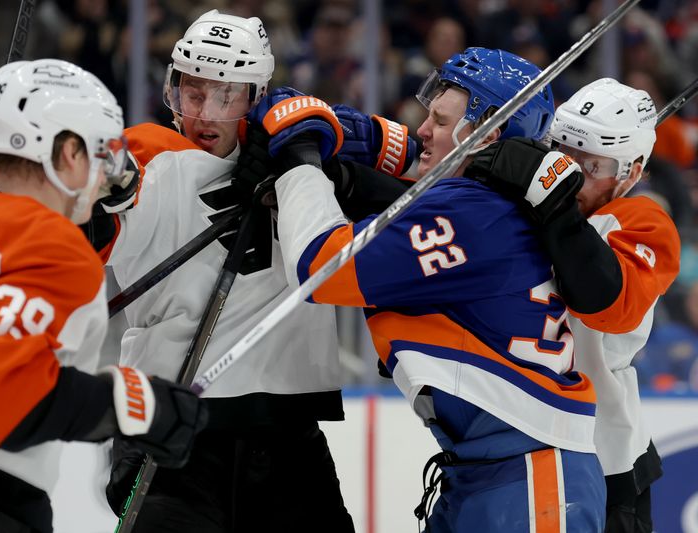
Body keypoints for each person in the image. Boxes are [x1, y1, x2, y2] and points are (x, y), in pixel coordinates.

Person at [247, 47, 606, 531]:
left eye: (438, 118)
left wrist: (300, 161)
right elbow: (403, 203)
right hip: (496, 471)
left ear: (487, 133)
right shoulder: (490, 206)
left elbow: (321, 268)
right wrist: (339, 173)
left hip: (528, 478)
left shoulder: (472, 212)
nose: (423, 130)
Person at [88, 9, 412, 533]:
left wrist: (324, 156)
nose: (204, 114)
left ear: (257, 98)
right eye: (192, 93)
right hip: (172, 436)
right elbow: (83, 214)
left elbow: (417, 166)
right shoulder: (148, 154)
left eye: (226, 96)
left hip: (288, 436)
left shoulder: (301, 157)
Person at [0, 59, 206, 533]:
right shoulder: (50, 243)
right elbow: (1, 391)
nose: (107, 177)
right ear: (66, 153)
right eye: (101, 154)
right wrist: (131, 402)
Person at [468, 78, 680, 533]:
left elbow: (608, 302)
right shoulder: (528, 202)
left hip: (606, 458)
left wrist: (553, 198)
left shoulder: (643, 221)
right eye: (561, 154)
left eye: (593, 165)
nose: (572, 174)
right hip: (519, 453)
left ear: (633, 171)